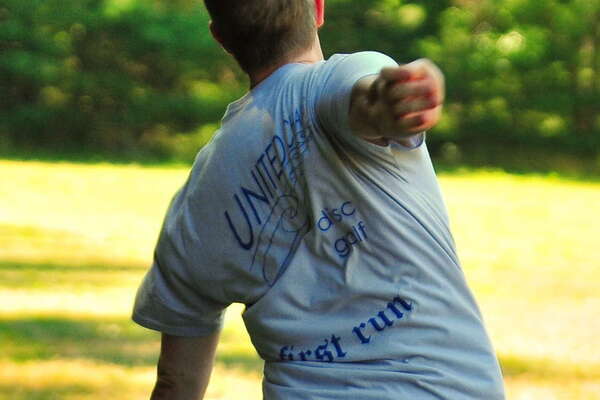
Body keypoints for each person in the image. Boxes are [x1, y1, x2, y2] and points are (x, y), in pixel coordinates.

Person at [132, 0, 506, 398]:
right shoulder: (338, 79)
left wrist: (383, 100)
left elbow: (176, 382)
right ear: (318, 8)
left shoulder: (193, 206)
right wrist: (393, 99)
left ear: (221, 38)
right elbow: (364, 100)